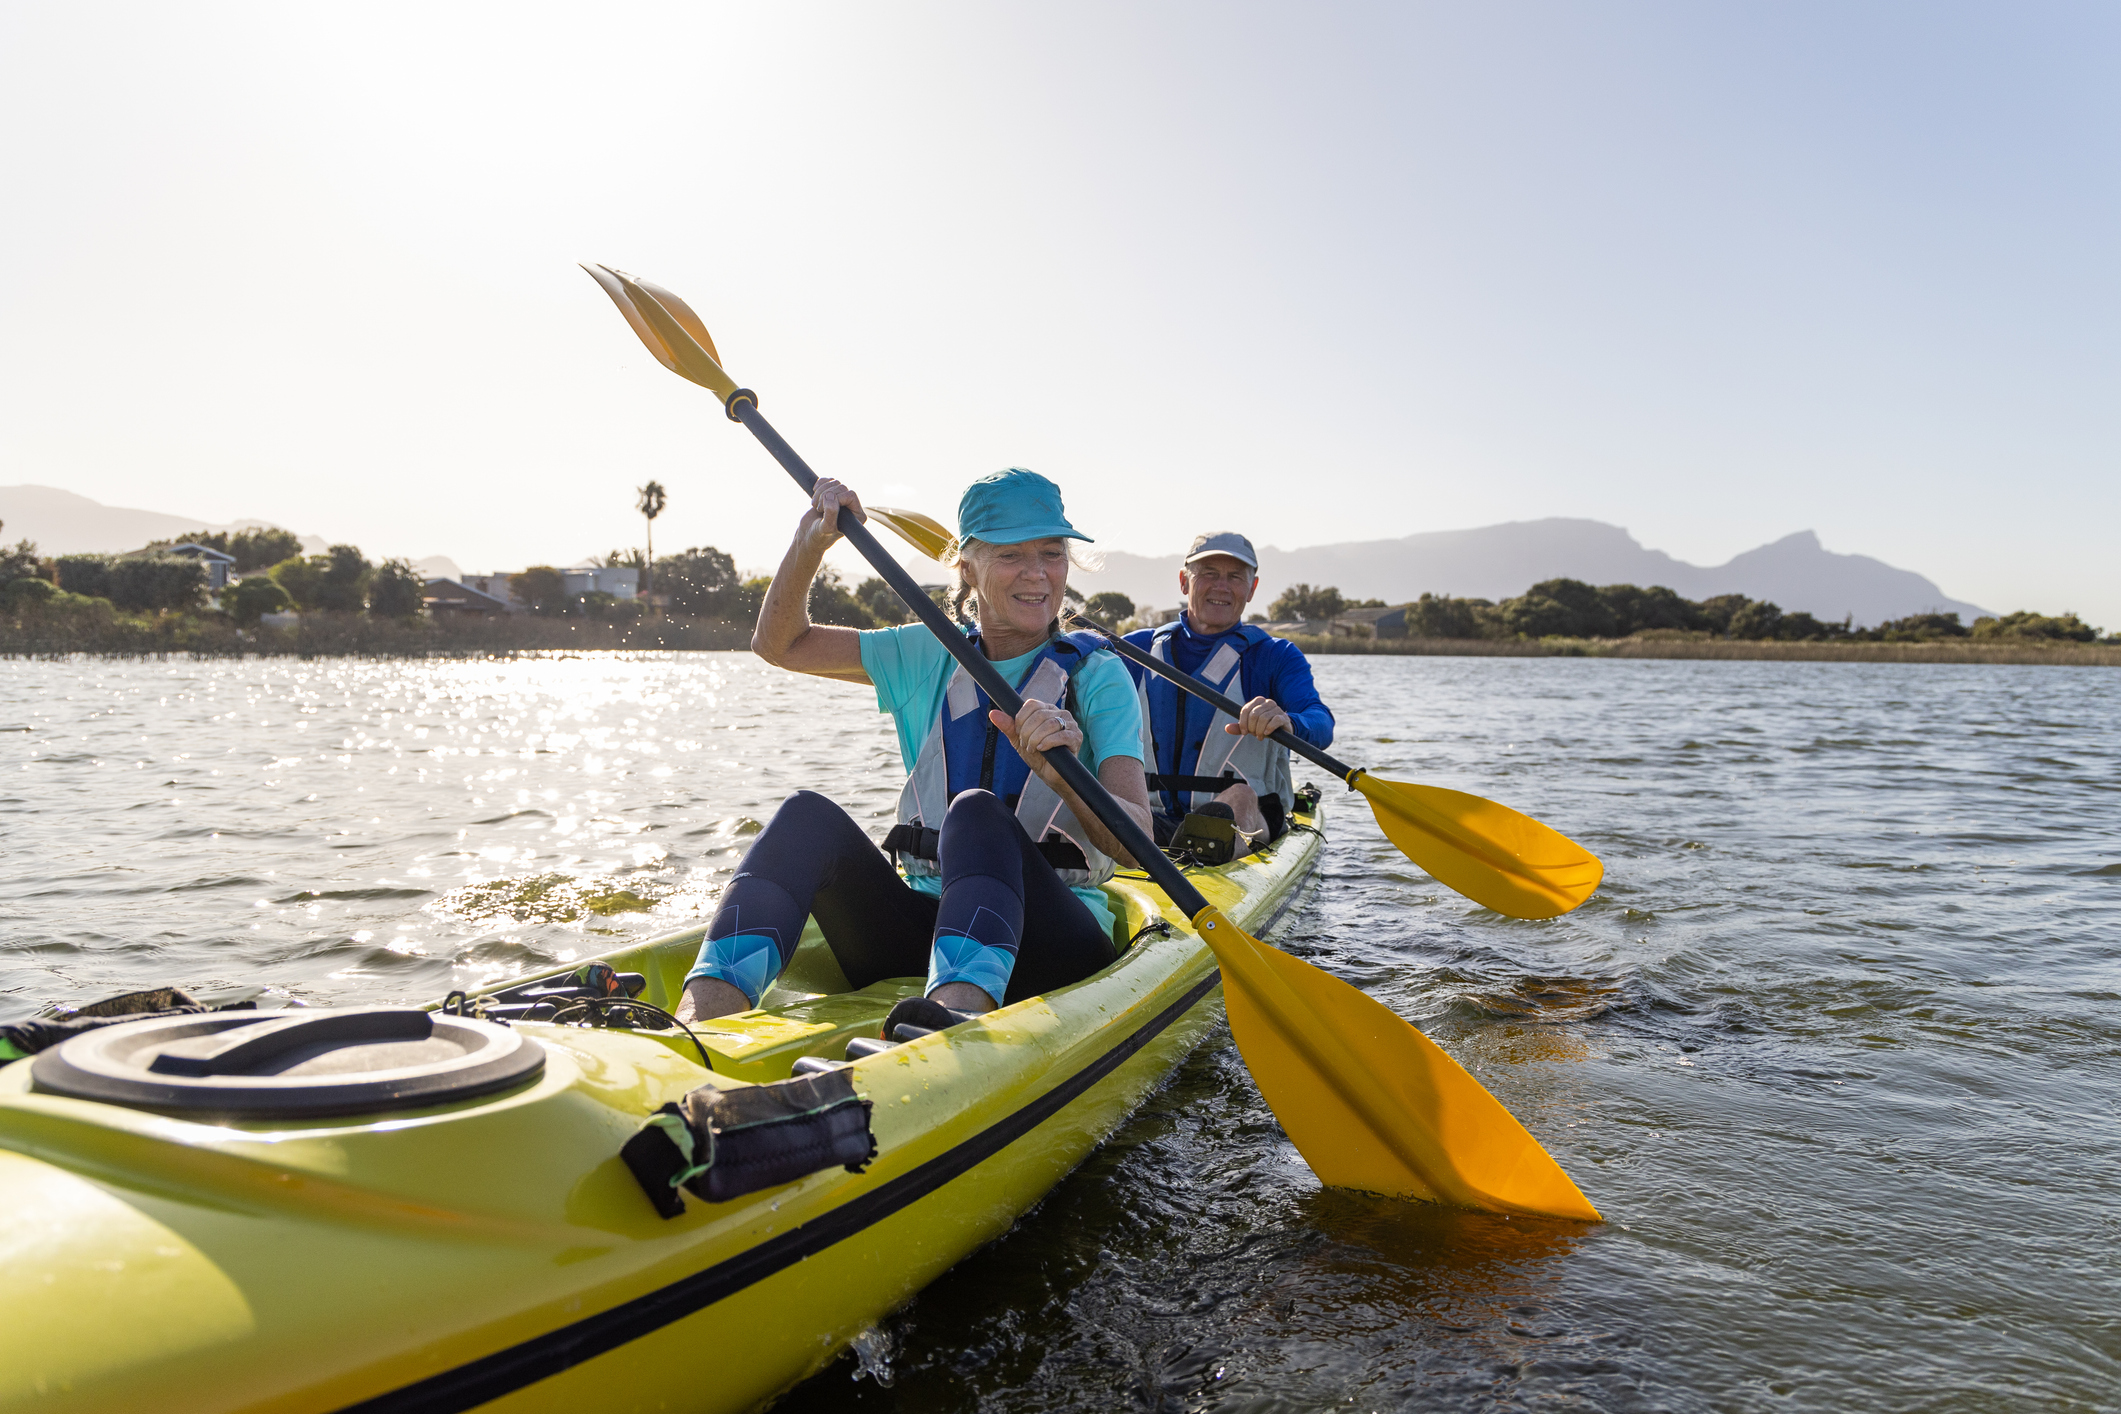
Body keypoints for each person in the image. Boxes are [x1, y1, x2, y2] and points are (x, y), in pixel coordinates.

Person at [674, 468, 1152, 1029]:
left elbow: (1139, 845)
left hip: (1051, 942)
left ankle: (949, 1027)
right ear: (966, 569)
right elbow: (780, 645)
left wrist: (1063, 775)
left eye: (1052, 553)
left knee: (975, 810)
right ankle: (696, 1021)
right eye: (1010, 556)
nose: (1038, 574)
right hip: (921, 929)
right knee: (805, 815)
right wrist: (810, 545)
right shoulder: (926, 652)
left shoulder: (1099, 675)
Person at [1122, 531, 1334, 851]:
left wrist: (1288, 722)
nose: (1221, 586)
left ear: (1252, 589)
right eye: (1208, 573)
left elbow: (1321, 723)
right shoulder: (1133, 649)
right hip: (1148, 817)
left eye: (1235, 576)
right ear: (1184, 581)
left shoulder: (1276, 656)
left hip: (1248, 820)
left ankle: (1208, 847)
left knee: (1239, 797)